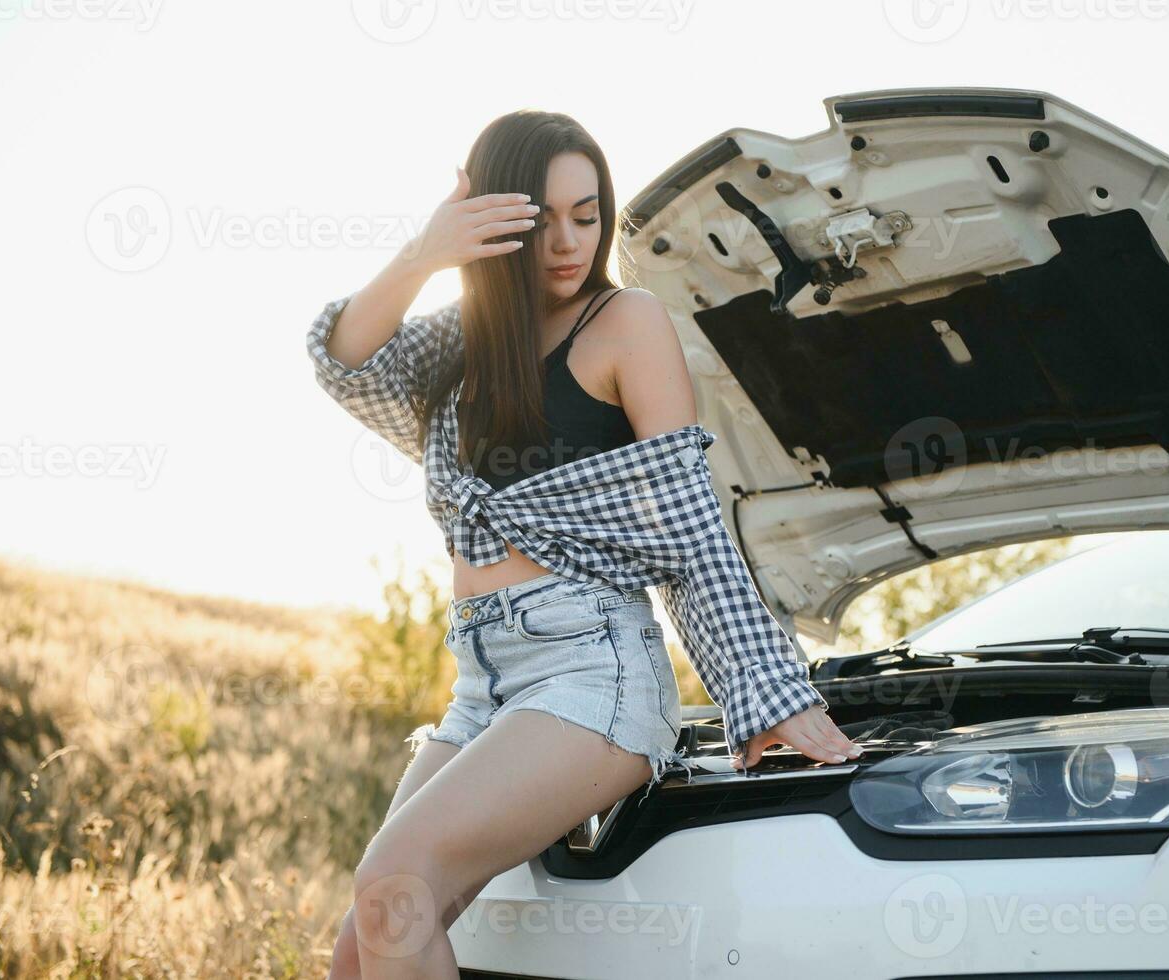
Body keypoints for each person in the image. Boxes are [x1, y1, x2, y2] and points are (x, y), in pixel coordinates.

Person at [305, 109, 862, 979]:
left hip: (590, 670)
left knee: (393, 882)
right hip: (484, 682)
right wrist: (423, 254)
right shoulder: (465, 341)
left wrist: (766, 690)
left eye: (587, 214)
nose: (568, 242)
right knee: (364, 935)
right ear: (492, 222)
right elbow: (349, 363)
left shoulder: (625, 320)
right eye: (540, 219)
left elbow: (689, 532)